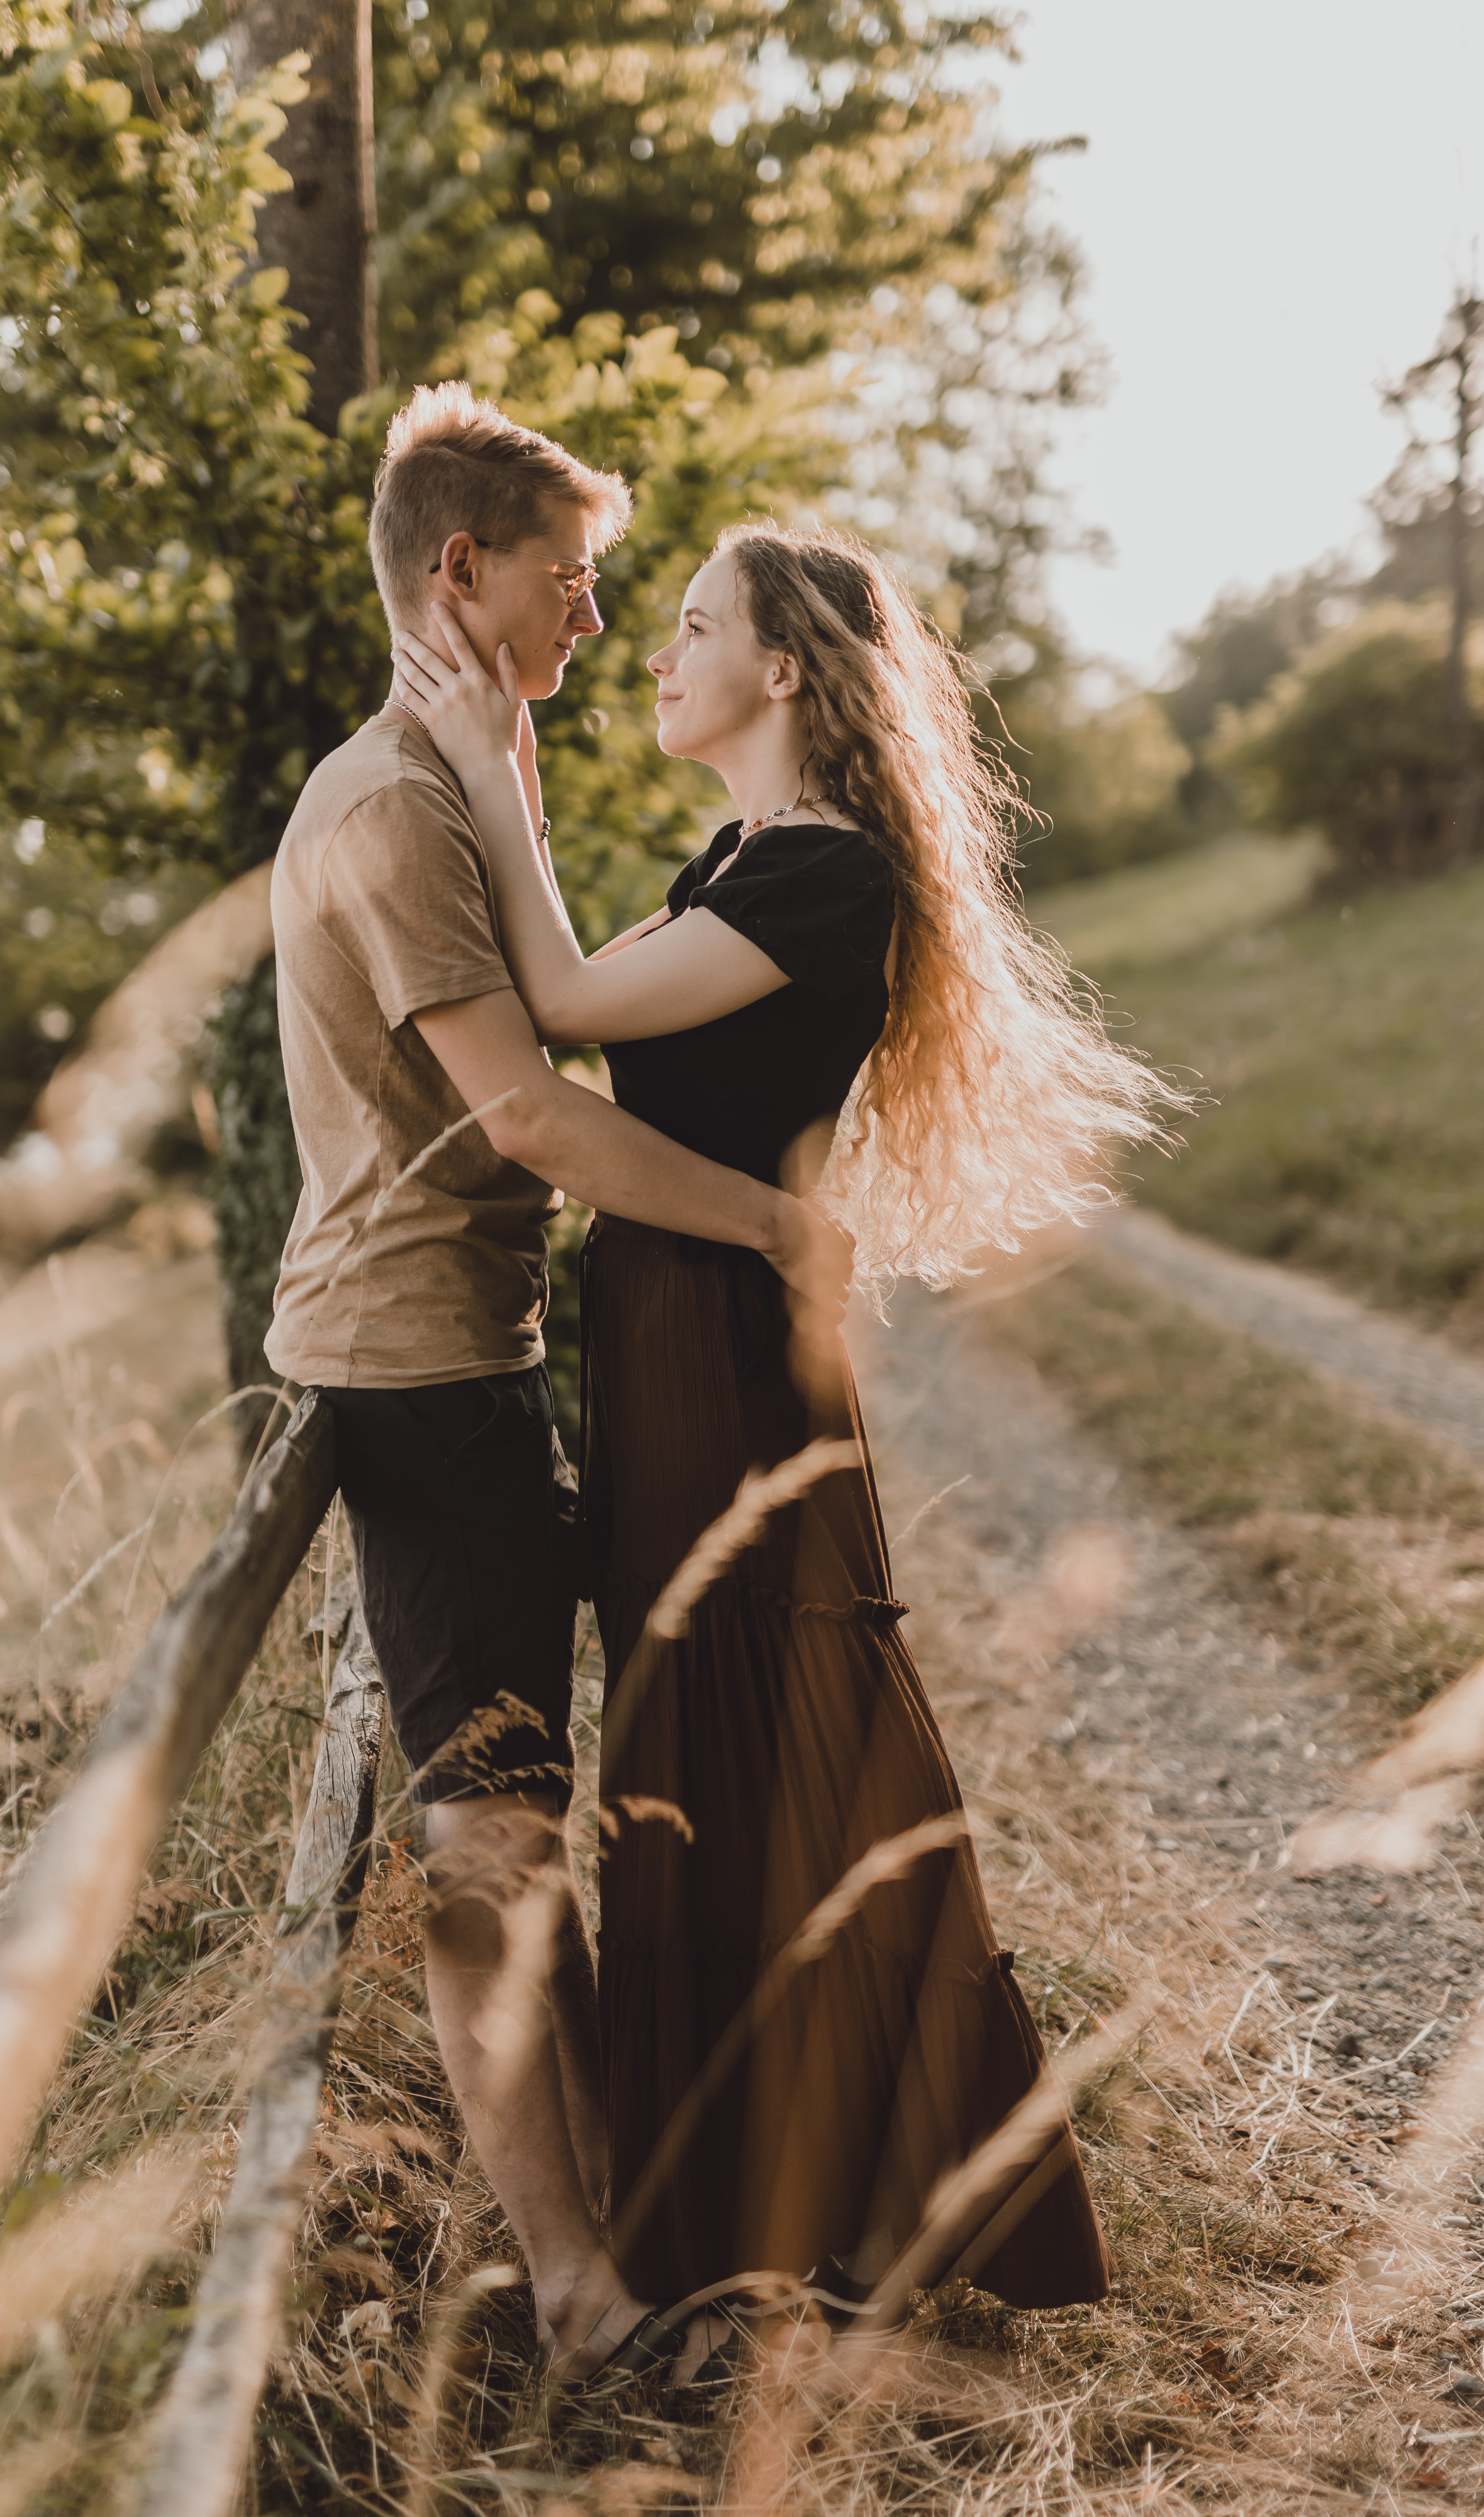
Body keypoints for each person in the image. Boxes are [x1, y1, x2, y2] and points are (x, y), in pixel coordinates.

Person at [389, 520, 1179, 2371]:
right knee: (703, 1738)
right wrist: (493, 763)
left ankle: (855, 2195)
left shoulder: (821, 879)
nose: (653, 655)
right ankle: (766, 2206)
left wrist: (493, 761)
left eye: (688, 629)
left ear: (786, 673)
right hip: (675, 1334)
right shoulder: (745, 851)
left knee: (760, 1738)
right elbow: (592, 992)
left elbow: (569, 1014)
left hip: (727, 1351)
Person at [265, 389, 852, 2384]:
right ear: (463, 573)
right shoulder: (386, 808)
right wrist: (780, 1232)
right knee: (488, 1844)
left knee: (524, 1807)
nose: (596, 618)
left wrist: (499, 767)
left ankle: (637, 2240)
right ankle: (584, 2298)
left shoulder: (446, 786)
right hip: (412, 1367)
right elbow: (535, 1116)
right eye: (571, 578)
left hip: (474, 1351)